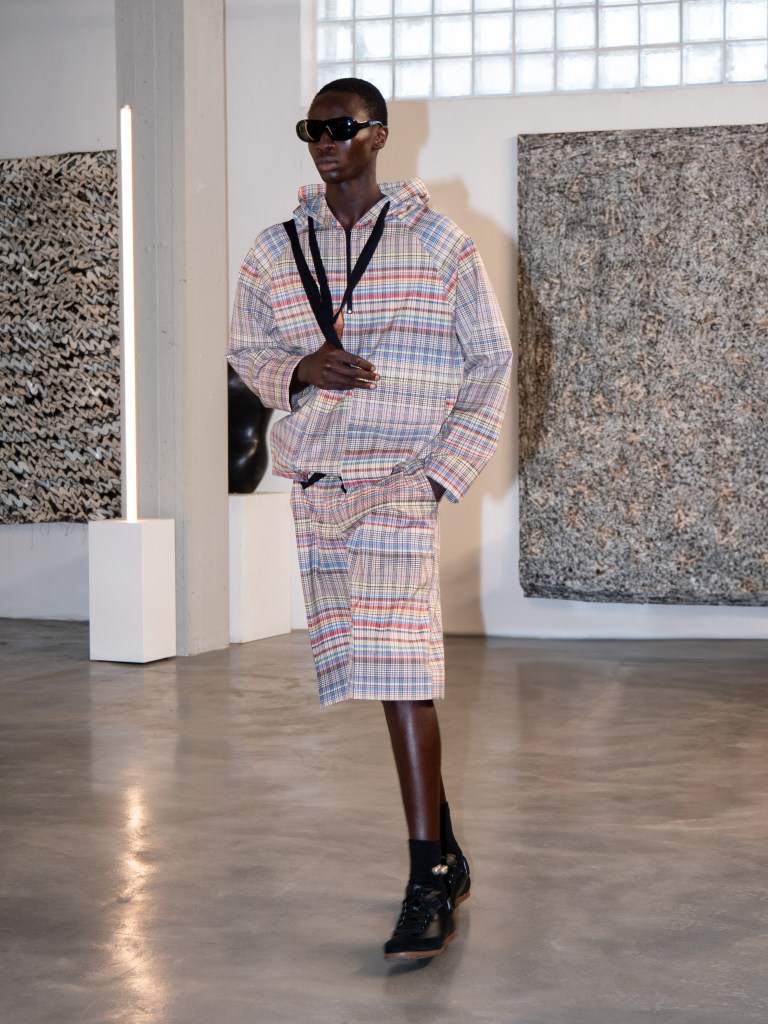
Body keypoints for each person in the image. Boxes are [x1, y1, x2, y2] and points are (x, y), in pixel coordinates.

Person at [228, 78, 512, 960]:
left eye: (341, 127)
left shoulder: (439, 244)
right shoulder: (274, 251)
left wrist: (439, 477)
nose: (325, 141)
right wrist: (299, 370)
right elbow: (246, 349)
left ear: (379, 135)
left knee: (400, 665)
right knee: (379, 670)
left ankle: (426, 878)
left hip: (399, 483)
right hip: (318, 486)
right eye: (311, 128)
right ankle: (449, 853)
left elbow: (491, 361)